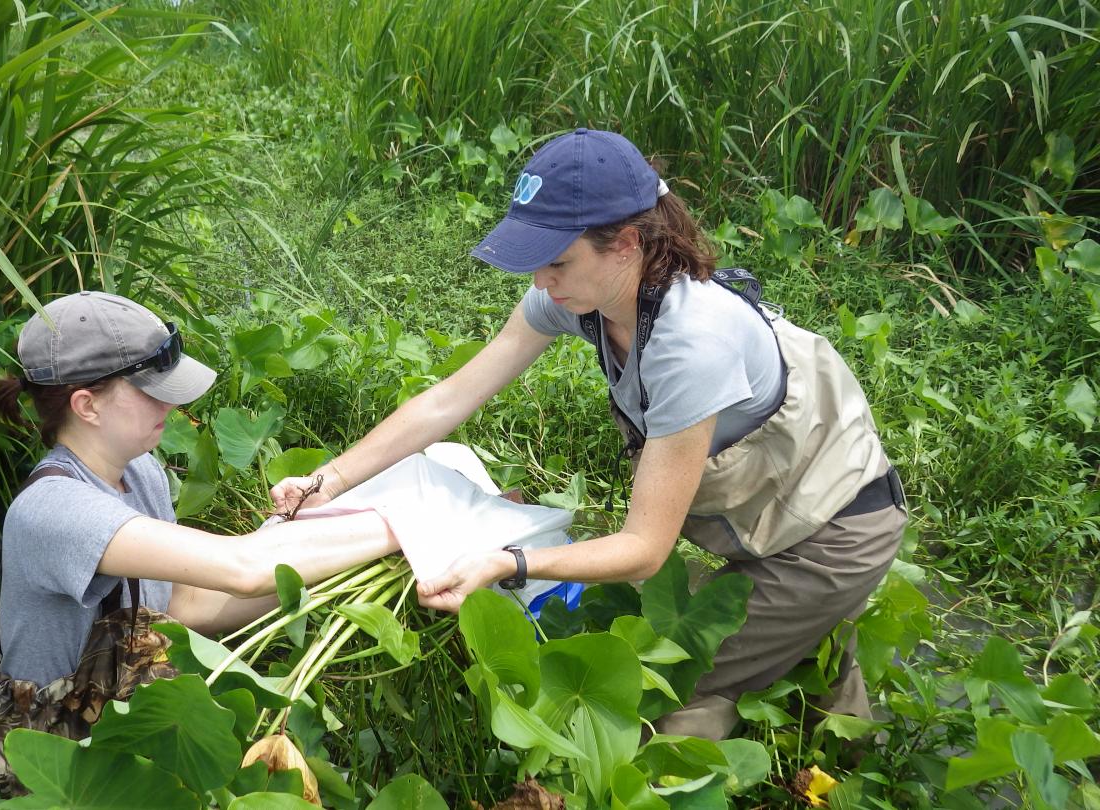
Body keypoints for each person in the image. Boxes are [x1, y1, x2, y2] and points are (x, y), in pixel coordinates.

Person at [271, 129, 907, 740]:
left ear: (627, 242)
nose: (541, 281)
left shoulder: (693, 342)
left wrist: (509, 563)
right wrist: (330, 479)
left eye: (557, 261)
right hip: (764, 517)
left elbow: (644, 549)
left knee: (655, 687)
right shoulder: (582, 292)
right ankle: (834, 708)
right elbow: (451, 398)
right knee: (785, 659)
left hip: (833, 534)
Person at [0, 291, 399, 795]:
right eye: (151, 390)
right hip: (54, 776)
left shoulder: (141, 469)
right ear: (86, 405)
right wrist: (403, 522)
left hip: (129, 743)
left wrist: (339, 542)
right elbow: (243, 568)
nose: (172, 403)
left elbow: (185, 602)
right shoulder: (52, 511)